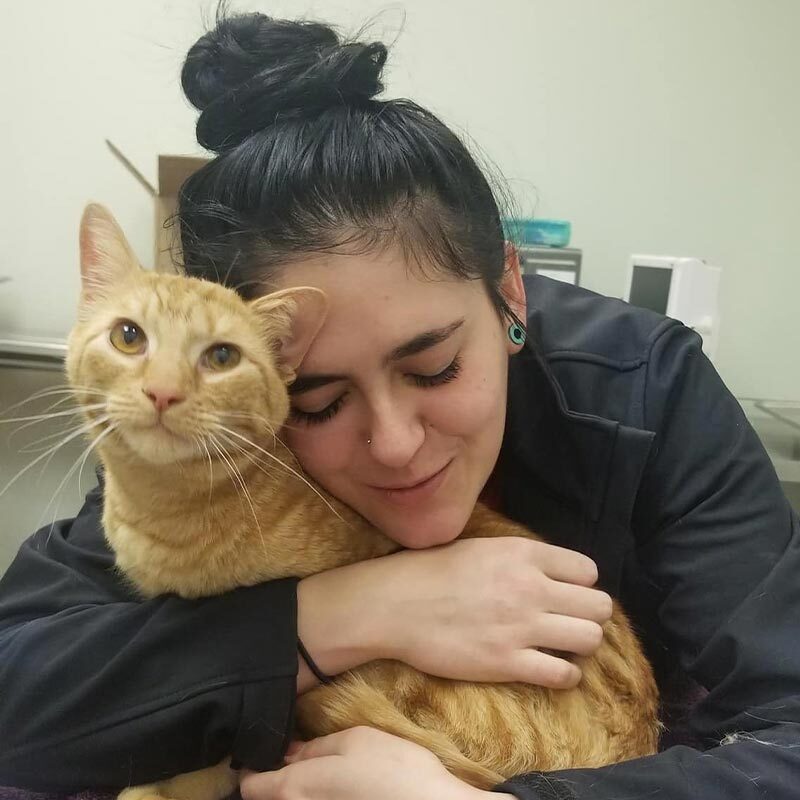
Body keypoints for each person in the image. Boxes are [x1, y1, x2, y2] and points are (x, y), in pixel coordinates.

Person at [1, 10, 799, 800]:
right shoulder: (216, 415)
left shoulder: (648, 384)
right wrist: (331, 616)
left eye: (437, 367)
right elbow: (22, 689)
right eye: (316, 401)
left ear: (510, 289)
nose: (393, 443)